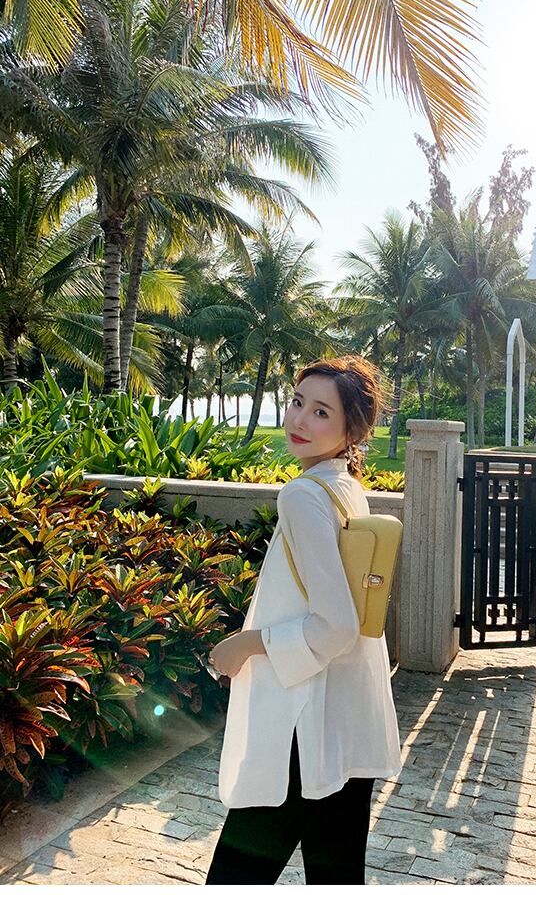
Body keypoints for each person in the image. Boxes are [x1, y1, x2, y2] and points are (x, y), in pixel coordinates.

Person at [204, 355, 402, 885]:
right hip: (347, 720)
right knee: (337, 877)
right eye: (297, 403)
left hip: (304, 727)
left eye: (320, 412)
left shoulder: (303, 495)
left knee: (235, 879)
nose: (299, 420)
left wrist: (246, 643)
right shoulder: (344, 487)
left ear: (351, 430)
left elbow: (335, 625)